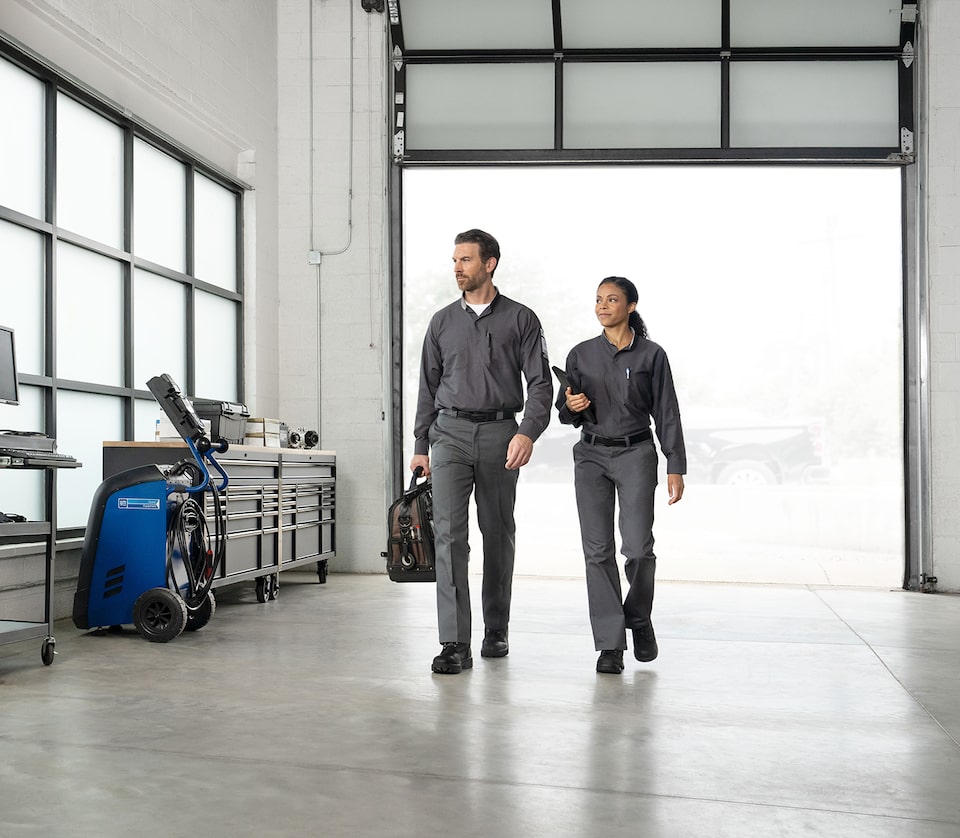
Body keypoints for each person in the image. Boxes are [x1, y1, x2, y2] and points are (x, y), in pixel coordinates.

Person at [411, 228, 553, 675]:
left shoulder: (521, 319)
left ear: (489, 263)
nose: (457, 268)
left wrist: (527, 432)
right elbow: (426, 388)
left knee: (497, 533)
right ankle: (454, 641)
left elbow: (541, 383)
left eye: (466, 260)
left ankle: (496, 629)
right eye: (454, 260)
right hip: (448, 434)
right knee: (450, 536)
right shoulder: (441, 322)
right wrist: (420, 445)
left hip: (499, 435)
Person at [556, 276, 686, 674]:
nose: (602, 306)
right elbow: (566, 416)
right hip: (591, 456)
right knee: (597, 552)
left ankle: (639, 618)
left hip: (636, 454)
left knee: (638, 549)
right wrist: (572, 405)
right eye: (598, 299)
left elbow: (667, 411)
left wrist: (675, 464)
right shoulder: (580, 354)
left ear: (631, 306)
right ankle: (610, 645)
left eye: (612, 300)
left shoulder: (651, 355)